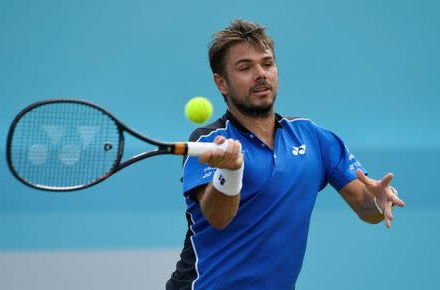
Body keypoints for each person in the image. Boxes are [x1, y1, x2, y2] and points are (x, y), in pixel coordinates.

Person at [166, 19, 405, 290]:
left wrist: (377, 200)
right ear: (222, 83)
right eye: (245, 68)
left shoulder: (312, 137)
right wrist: (229, 171)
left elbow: (367, 209)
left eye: (267, 64)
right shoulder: (210, 142)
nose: (260, 74)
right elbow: (218, 218)